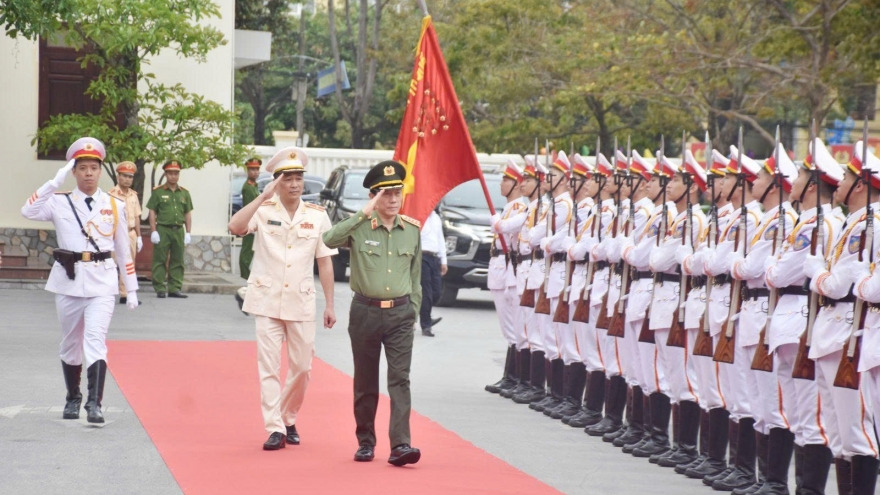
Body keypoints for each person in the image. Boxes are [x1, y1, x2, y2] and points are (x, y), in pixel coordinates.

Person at [21, 137, 139, 424]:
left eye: (93, 168)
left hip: (102, 282)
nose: (88, 173)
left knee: (95, 340)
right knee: (71, 342)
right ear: (73, 171)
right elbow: (28, 210)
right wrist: (52, 182)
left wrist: (131, 288)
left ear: (101, 172)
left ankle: (93, 404)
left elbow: (123, 248)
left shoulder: (115, 204)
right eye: (82, 167)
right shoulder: (59, 202)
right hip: (69, 281)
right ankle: (73, 397)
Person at [228, 147, 337, 451]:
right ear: (276, 182)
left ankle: (288, 416)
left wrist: (330, 304)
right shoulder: (263, 210)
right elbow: (235, 227)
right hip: (266, 299)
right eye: (287, 178)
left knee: (302, 368)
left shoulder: (316, 216)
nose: (294, 184)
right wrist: (263, 197)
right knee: (269, 367)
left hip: (300, 301)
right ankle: (275, 427)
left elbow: (325, 261)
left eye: (298, 178)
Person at [322, 160, 423, 467]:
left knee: (400, 379)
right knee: (366, 381)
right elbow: (328, 240)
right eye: (385, 195)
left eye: (396, 194)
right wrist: (362, 215)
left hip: (400, 314)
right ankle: (366, 441)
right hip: (365, 312)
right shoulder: (360, 226)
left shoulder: (412, 230)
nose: (392, 200)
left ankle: (401, 444)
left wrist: (413, 311)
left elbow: (415, 277)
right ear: (373, 197)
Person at [484, 158, 527, 393]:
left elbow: (506, 228)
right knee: (507, 327)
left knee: (514, 327)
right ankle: (510, 377)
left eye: (506, 180)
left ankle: (517, 378)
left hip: (508, 265)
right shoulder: (509, 208)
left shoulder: (519, 207)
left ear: (518, 185)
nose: (501, 184)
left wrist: (497, 223)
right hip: (499, 265)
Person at [147, 160, 193, 298]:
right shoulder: (158, 192)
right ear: (166, 174)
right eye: (170, 173)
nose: (173, 176)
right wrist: (153, 230)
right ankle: (160, 288)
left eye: (176, 173)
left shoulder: (184, 193)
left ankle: (174, 288)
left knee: (178, 260)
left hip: (178, 229)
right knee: (160, 259)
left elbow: (187, 213)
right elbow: (152, 211)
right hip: (163, 229)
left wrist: (188, 232)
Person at [109, 161, 143, 305]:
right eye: (125, 176)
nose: (128, 179)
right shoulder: (111, 195)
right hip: (115, 233)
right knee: (111, 264)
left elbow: (136, 217)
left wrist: (139, 236)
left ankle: (126, 294)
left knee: (129, 264)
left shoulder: (133, 196)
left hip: (130, 233)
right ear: (118, 177)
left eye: (130, 177)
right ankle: (108, 293)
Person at [418, 208, 447, 337]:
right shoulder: (418, 216)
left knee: (437, 292)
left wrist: (443, 260)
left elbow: (440, 239)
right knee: (426, 292)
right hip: (421, 256)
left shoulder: (436, 217)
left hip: (434, 257)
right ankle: (426, 325)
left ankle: (424, 314)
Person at [239, 157, 262, 280]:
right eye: (252, 169)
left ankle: (247, 274)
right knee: (247, 249)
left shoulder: (253, 185)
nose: (255, 172)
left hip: (253, 221)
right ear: (247, 171)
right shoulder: (248, 187)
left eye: (257, 169)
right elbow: (250, 207)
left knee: (251, 249)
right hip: (249, 222)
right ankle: (245, 274)